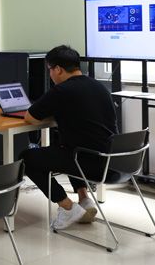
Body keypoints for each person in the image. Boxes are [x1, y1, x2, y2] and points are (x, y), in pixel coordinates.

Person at [22, 45, 118, 230]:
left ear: (58, 69)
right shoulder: (99, 86)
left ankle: (67, 207)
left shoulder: (61, 90)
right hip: (112, 160)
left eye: (50, 69)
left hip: (90, 163)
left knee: (28, 158)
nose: (50, 74)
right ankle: (84, 199)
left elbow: (30, 117)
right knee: (68, 146)